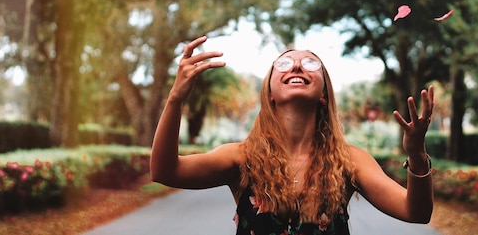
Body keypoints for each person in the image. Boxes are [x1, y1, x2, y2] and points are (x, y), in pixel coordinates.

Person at [151, 35, 435, 235]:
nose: (297, 66)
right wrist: (176, 98)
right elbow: (165, 171)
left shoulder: (350, 160)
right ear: (270, 93)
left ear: (324, 94)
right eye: (284, 64)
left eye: (311, 63)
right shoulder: (241, 158)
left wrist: (417, 156)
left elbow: (416, 213)